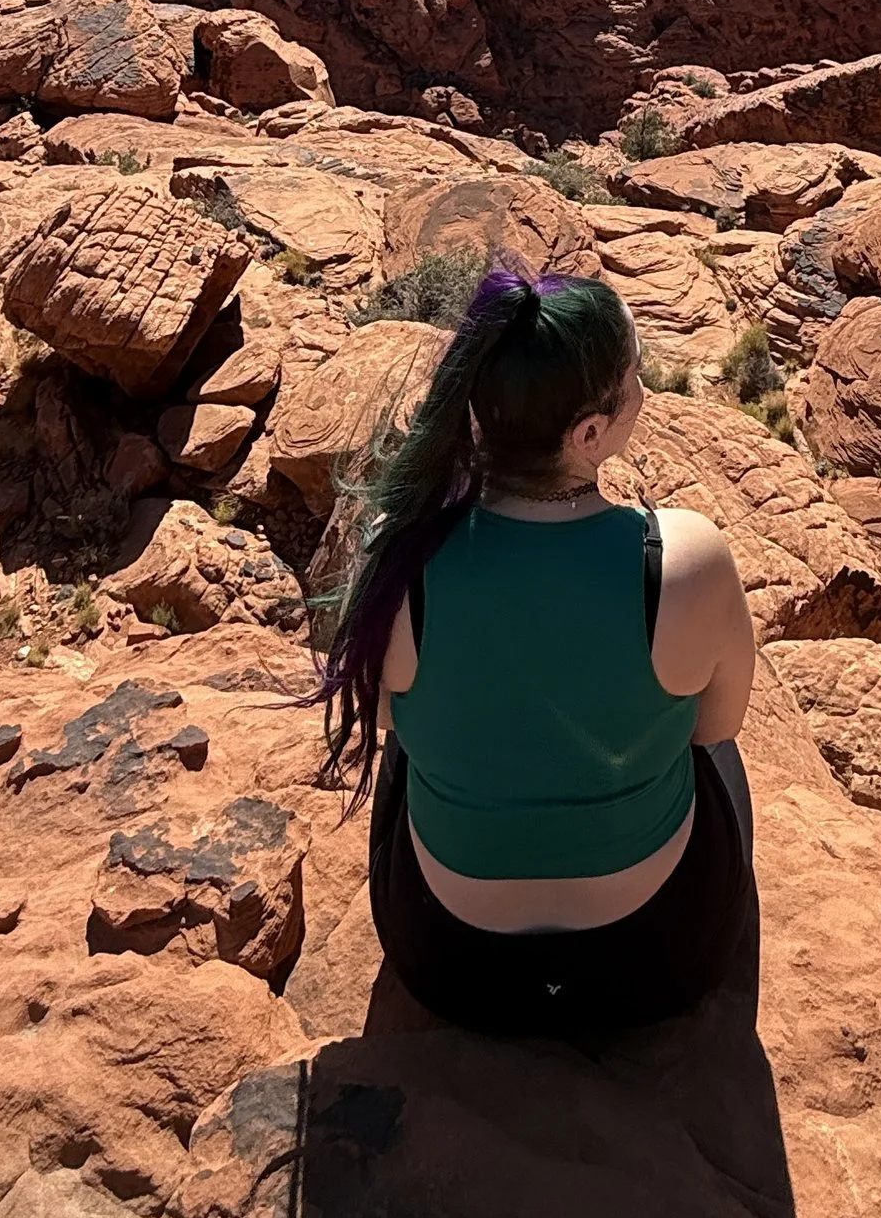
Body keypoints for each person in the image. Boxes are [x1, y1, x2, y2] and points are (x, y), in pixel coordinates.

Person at [317, 261, 757, 1035]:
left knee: (412, 739)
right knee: (712, 749)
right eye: (633, 380)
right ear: (587, 433)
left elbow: (389, 720)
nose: (645, 394)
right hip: (656, 960)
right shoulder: (684, 559)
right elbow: (717, 728)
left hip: (451, 960)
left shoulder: (403, 557)